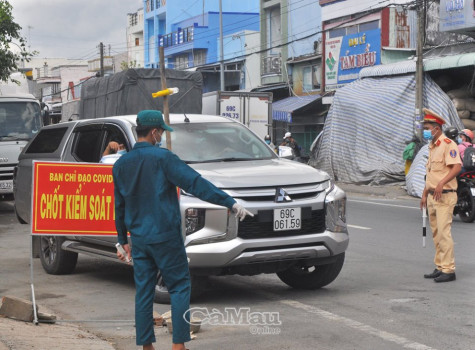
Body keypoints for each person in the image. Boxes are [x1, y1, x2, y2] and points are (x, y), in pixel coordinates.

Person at [112, 110, 253, 350]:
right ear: (155, 132)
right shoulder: (163, 158)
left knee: (144, 291)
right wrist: (229, 202)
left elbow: (119, 204)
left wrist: (121, 239)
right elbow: (195, 183)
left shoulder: (121, 163)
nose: (160, 137)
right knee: (178, 287)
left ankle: (147, 346)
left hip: (139, 238)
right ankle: (178, 346)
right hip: (165, 236)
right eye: (160, 133)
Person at [420, 108, 461, 283]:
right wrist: (424, 193)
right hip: (432, 196)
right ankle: (440, 266)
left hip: (445, 196)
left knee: (444, 233)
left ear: (436, 128)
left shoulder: (448, 144)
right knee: (436, 233)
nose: (425, 131)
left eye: (427, 127)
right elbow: (431, 174)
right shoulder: (431, 147)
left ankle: (449, 270)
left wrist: (442, 183)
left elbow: (457, 167)